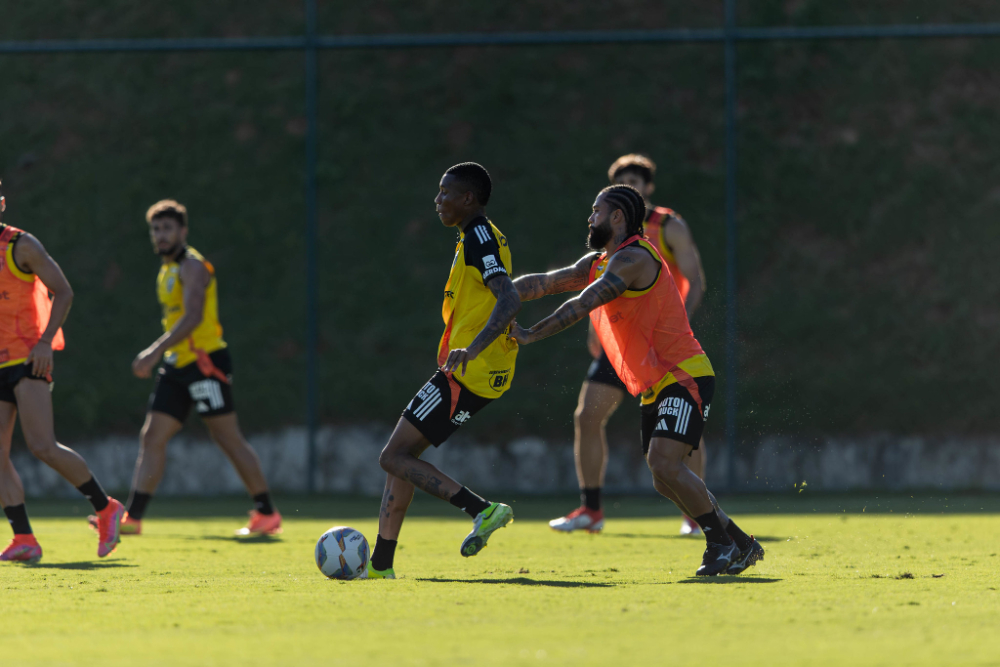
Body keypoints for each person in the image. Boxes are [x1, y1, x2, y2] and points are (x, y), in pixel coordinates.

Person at [512, 184, 763, 576]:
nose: (590, 217)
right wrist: (496, 296)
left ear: (616, 217)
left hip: (685, 373)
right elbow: (545, 281)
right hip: (656, 383)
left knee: (665, 463)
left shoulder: (634, 258)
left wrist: (529, 333)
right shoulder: (600, 261)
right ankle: (740, 541)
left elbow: (583, 303)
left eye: (596, 210)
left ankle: (720, 545)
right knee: (664, 479)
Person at [367, 163, 522, 579]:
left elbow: (508, 297)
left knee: (392, 456)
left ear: (468, 199)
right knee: (403, 457)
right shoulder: (475, 236)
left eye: (445, 193)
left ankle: (482, 510)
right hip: (481, 370)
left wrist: (471, 348)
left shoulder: (478, 237)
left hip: (468, 370)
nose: (437, 200)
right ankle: (381, 566)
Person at [90, 200, 280, 537]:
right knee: (152, 436)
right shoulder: (166, 270)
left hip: (205, 363)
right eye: (156, 229)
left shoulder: (192, 266)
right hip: (177, 365)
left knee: (227, 437)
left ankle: (266, 513)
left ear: (183, 231)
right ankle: (133, 517)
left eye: (167, 228)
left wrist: (153, 351)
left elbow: (192, 318)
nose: (161, 235)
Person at [551, 154, 709, 536]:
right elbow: (597, 284)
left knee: (685, 433)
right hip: (621, 345)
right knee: (587, 416)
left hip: (663, 347)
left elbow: (696, 281)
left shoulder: (669, 226)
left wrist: (671, 332)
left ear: (649, 187)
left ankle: (694, 516)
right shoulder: (610, 241)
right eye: (622, 181)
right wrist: (597, 329)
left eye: (636, 180)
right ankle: (591, 510)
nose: (631, 186)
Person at [0, 178, 124, 563]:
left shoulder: (22, 245)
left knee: (42, 445)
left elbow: (64, 291)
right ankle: (24, 538)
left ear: (1, 203)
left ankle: (106, 508)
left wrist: (45, 342)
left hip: (27, 358)